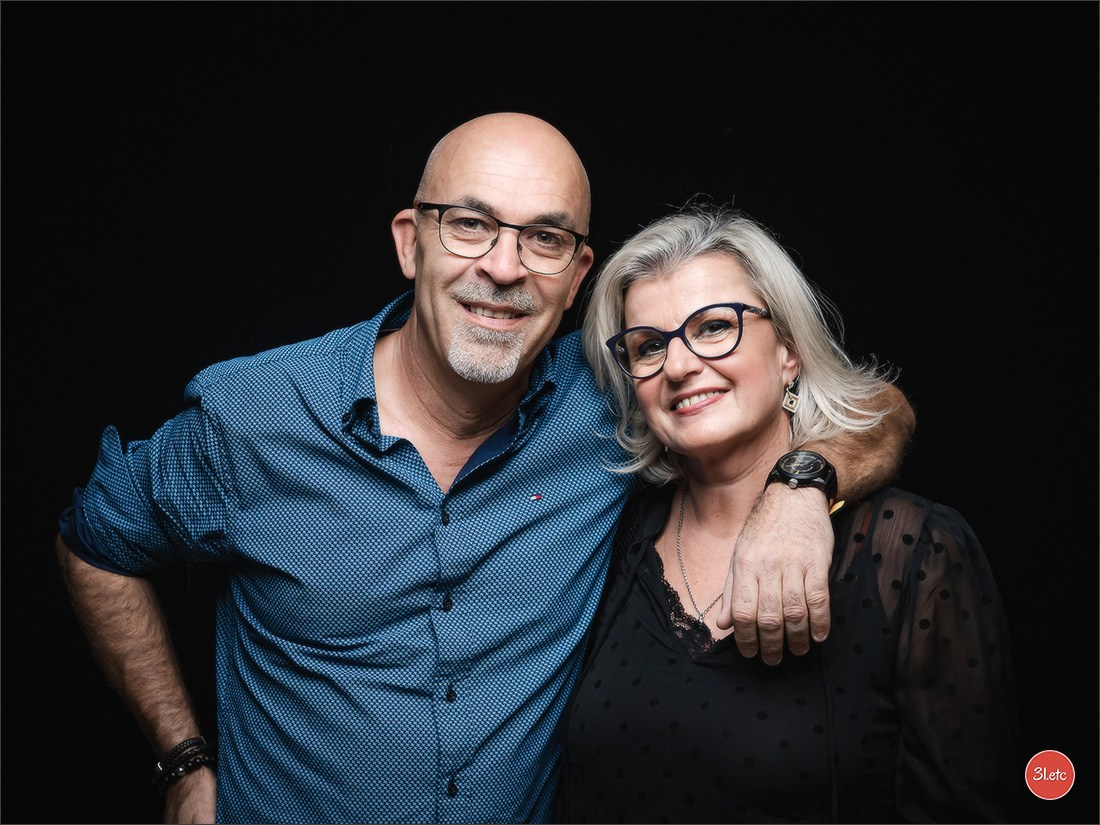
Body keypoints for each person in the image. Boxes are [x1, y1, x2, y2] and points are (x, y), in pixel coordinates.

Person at [54, 114, 915, 824]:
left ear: (578, 275)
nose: (503, 268)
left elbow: (875, 405)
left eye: (543, 237)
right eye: (469, 223)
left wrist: (801, 486)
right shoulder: (256, 416)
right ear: (410, 243)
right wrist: (183, 760)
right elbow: (95, 540)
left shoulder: (618, 395)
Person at [554, 201, 1021, 823]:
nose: (681, 365)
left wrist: (798, 488)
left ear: (789, 353)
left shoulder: (912, 551)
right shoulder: (610, 540)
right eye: (647, 346)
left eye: (716, 326)